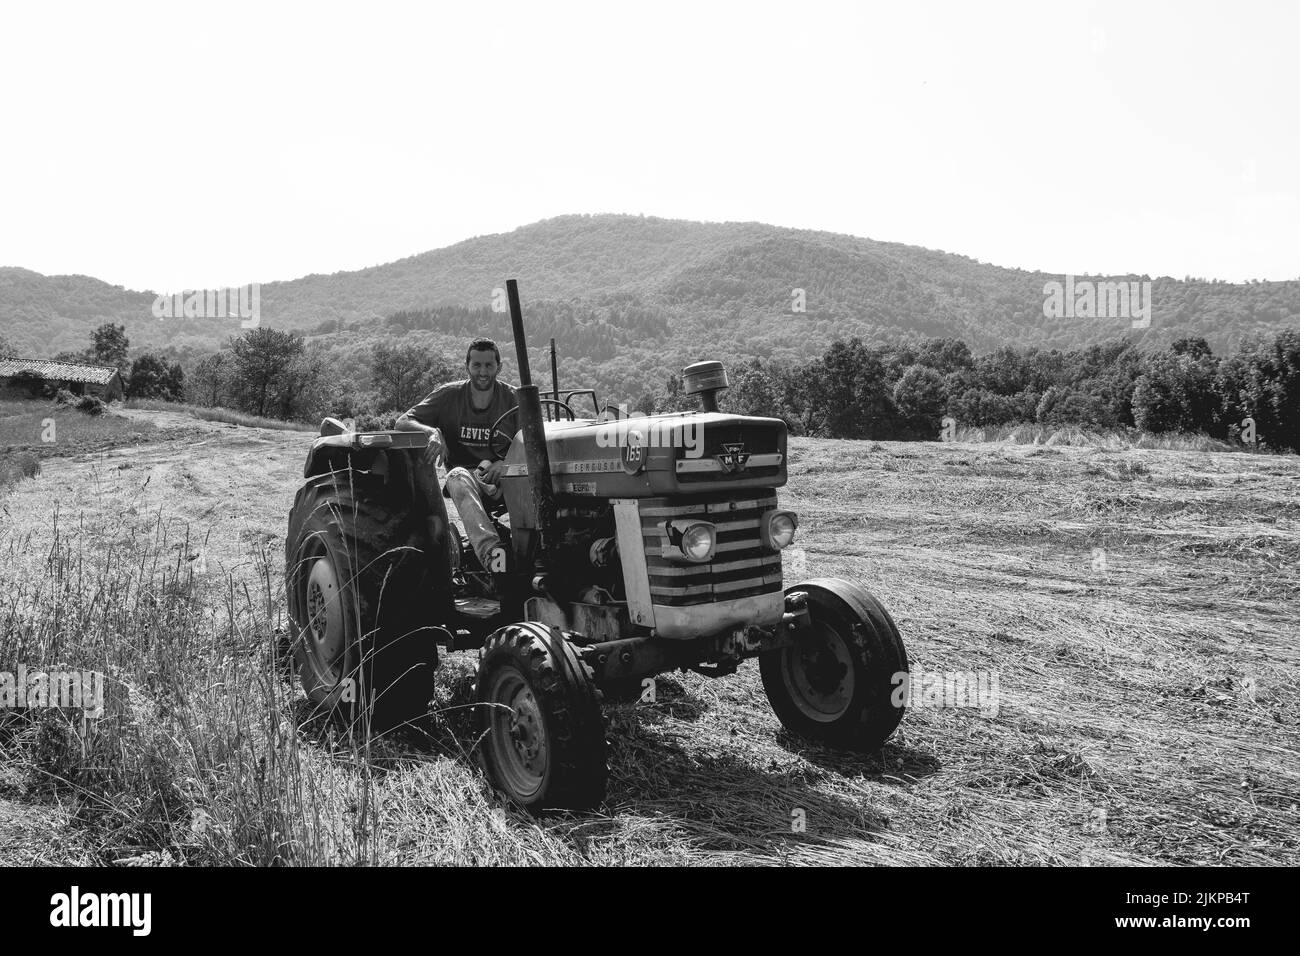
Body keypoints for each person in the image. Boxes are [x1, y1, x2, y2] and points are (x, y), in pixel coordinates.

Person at [395, 338, 517, 573]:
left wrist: (505, 463)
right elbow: (403, 421)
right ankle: (494, 556)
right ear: (467, 366)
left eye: (489, 365)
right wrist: (432, 432)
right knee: (457, 477)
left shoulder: (513, 399)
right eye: (477, 365)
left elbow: (531, 442)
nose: (483, 372)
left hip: (507, 475)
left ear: (499, 367)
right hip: (467, 478)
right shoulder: (449, 395)